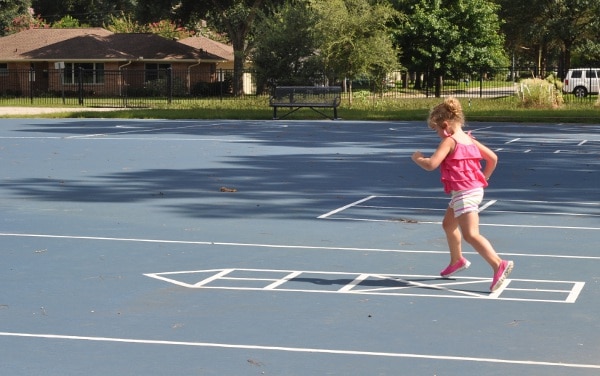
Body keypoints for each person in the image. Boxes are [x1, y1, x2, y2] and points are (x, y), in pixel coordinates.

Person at [411, 97, 513, 292]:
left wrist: (418, 158)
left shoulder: (449, 142)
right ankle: (457, 260)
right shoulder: (469, 139)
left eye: (437, 130)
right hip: (468, 190)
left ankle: (498, 264)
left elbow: (431, 164)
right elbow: (493, 158)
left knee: (471, 234)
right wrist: (483, 179)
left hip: (465, 192)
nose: (438, 135)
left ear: (446, 125)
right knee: (448, 225)